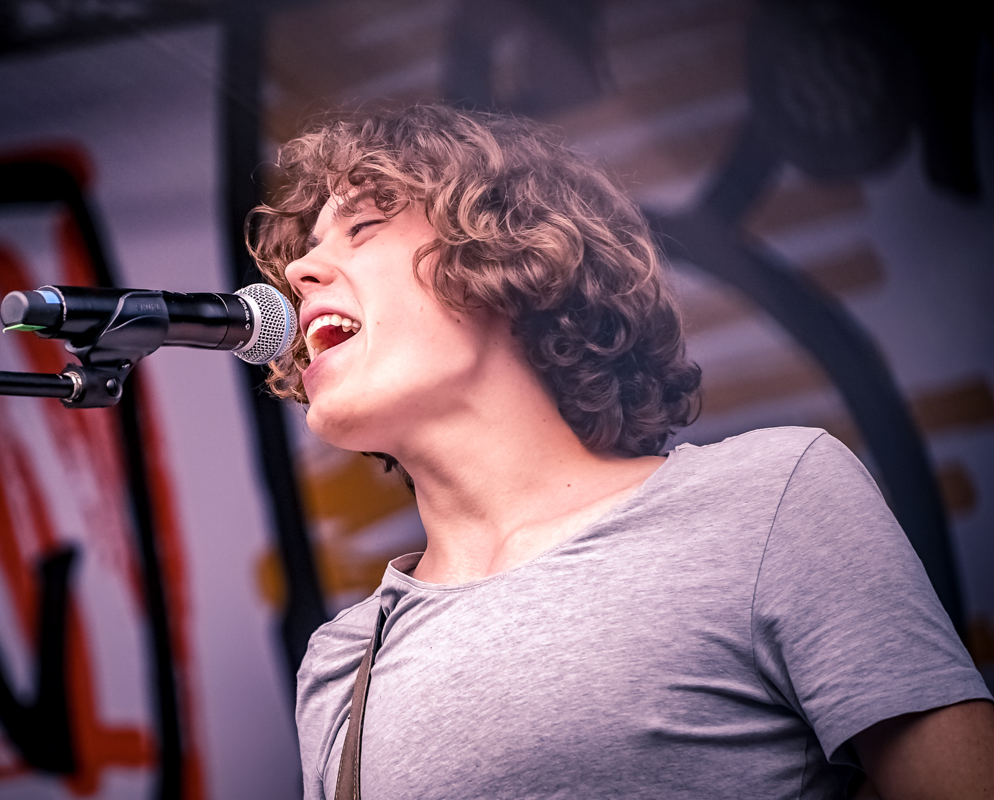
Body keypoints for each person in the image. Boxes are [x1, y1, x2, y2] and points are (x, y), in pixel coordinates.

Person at [247, 105, 994, 799]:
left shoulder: (770, 500)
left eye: (363, 226)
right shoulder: (343, 662)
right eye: (306, 251)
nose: (301, 274)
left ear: (507, 256)